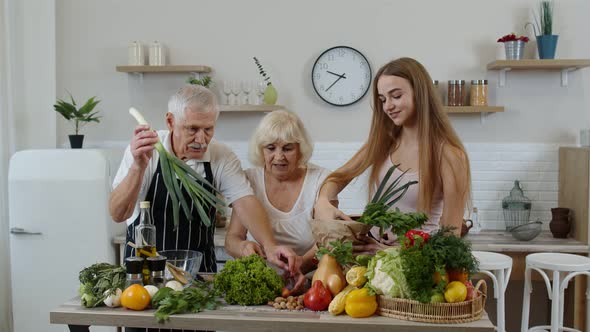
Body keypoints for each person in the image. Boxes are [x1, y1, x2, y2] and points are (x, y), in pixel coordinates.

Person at [110, 85, 302, 276]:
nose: (201, 139)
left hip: (199, 277)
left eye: (208, 129)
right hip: (145, 275)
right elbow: (118, 214)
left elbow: (245, 202)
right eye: (192, 129)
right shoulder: (145, 151)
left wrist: (270, 246)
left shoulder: (222, 156)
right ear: (170, 121)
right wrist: (137, 167)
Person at [314, 57, 471, 250]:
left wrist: (388, 251)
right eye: (382, 99)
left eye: (396, 96)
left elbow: (450, 239)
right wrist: (323, 201)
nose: (388, 106)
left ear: (420, 94)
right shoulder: (384, 143)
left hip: (416, 264)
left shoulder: (449, 155)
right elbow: (337, 178)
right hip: (370, 256)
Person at [224, 110, 333, 276]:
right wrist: (243, 247)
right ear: (261, 150)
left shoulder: (320, 181)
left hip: (308, 280)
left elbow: (329, 241)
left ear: (300, 150)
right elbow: (233, 239)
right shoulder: (249, 181)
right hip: (259, 279)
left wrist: (299, 267)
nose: (279, 156)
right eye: (271, 148)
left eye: (287, 148)